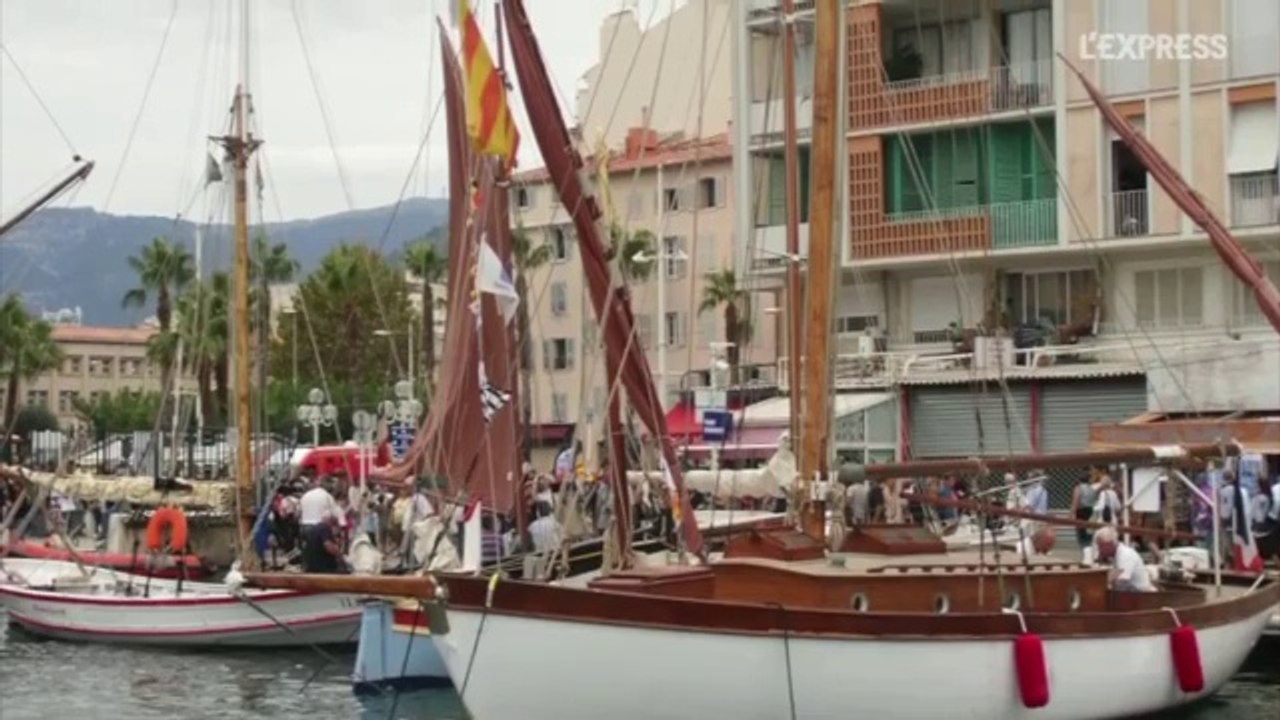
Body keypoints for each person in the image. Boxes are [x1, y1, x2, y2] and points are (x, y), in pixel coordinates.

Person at [1092, 526, 1155, 592]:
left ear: (1109, 544)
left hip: (1141, 595)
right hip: (1132, 593)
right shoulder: (1117, 554)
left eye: (1100, 546)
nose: (1099, 549)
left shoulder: (1125, 555)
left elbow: (1122, 581)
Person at [1071, 473, 1099, 548]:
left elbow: (1076, 500)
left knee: (1080, 529)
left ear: (1079, 480)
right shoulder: (1091, 488)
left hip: (1081, 510)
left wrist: (1072, 513)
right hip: (1090, 510)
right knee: (1088, 529)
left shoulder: (1078, 488)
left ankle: (1083, 545)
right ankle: (1089, 544)